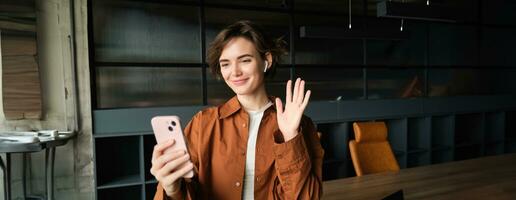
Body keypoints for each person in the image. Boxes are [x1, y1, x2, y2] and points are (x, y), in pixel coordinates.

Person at [151, 20, 324, 200]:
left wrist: (290, 138)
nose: (235, 72)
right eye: (225, 64)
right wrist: (171, 189)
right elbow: (188, 192)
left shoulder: (299, 124)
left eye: (245, 60)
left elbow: (307, 197)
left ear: (267, 61)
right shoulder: (202, 124)